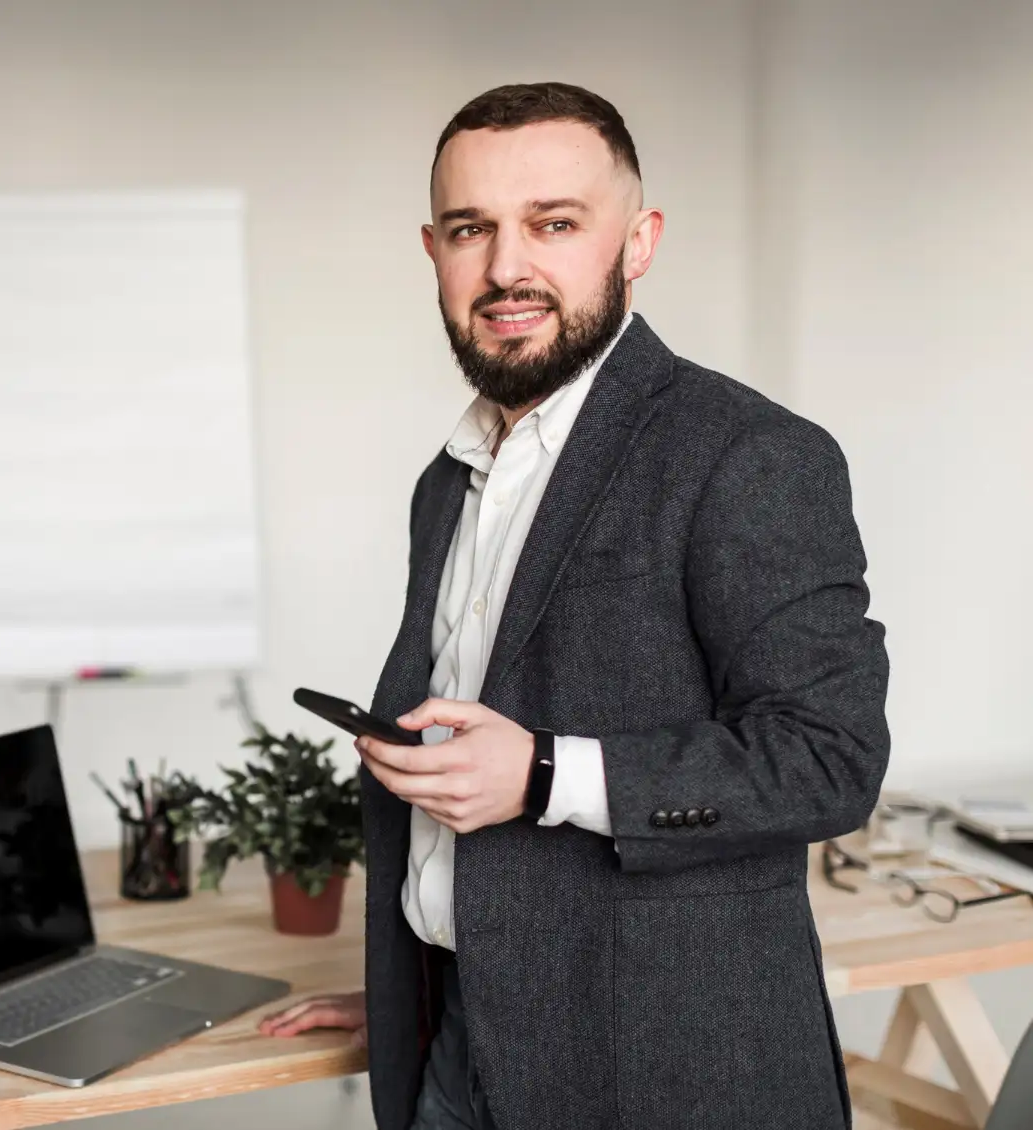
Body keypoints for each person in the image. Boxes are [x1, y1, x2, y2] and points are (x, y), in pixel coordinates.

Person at [258, 82, 889, 1130]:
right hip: (461, 1042)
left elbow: (831, 758)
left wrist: (546, 770)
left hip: (664, 1078)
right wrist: (422, 961)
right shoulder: (446, 478)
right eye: (473, 229)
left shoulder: (750, 455)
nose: (508, 267)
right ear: (433, 249)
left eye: (554, 223)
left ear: (637, 241)